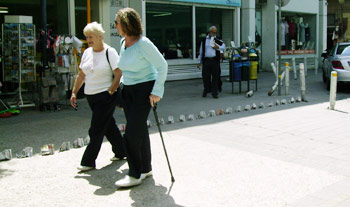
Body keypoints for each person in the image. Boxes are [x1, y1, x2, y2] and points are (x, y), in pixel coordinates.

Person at [113, 8, 168, 188]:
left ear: (126, 24)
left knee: (131, 135)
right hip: (129, 91)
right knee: (140, 131)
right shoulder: (123, 42)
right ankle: (145, 168)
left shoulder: (144, 44)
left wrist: (156, 92)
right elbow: (124, 68)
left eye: (117, 22)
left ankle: (134, 174)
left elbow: (162, 66)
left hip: (144, 91)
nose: (115, 25)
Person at [70, 21, 126, 172]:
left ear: (100, 36)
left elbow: (118, 73)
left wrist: (111, 91)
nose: (88, 40)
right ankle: (122, 151)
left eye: (91, 37)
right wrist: (74, 92)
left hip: (106, 96)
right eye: (87, 37)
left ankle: (88, 161)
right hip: (91, 96)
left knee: (96, 129)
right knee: (108, 126)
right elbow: (81, 75)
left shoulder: (110, 52)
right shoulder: (87, 52)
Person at [197, 26, 226, 98]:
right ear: (210, 32)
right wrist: (199, 61)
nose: (214, 34)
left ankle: (214, 92)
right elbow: (201, 51)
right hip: (206, 60)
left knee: (215, 77)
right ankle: (207, 89)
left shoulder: (217, 39)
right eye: (213, 32)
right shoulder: (204, 40)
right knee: (205, 76)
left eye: (215, 32)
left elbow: (224, 46)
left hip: (215, 60)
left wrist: (218, 47)